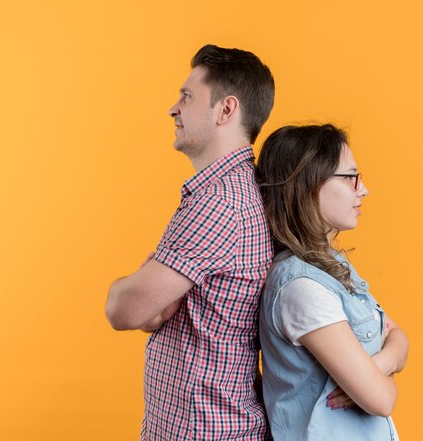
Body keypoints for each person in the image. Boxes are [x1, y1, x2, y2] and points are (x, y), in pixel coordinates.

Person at [105, 44, 275, 441]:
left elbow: (122, 309)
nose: (173, 109)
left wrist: (136, 291)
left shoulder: (219, 204)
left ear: (226, 110)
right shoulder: (227, 193)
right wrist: (151, 302)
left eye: (187, 96)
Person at [256, 124, 409, 441]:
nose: (363, 189)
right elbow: (382, 400)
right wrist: (381, 372)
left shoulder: (331, 266)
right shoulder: (301, 287)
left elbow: (398, 337)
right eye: (350, 177)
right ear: (308, 185)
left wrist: (378, 365)